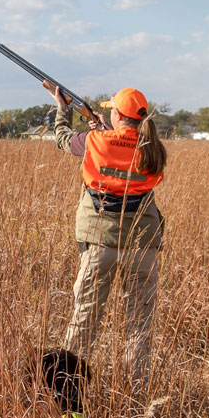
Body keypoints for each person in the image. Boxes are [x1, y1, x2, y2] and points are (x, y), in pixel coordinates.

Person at [46, 83, 167, 394]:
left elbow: (63, 139)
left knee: (85, 319)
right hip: (142, 247)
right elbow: (124, 154)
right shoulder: (152, 148)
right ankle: (138, 393)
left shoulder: (95, 140)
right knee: (139, 324)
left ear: (117, 114)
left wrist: (63, 109)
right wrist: (99, 127)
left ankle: (68, 390)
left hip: (100, 244)